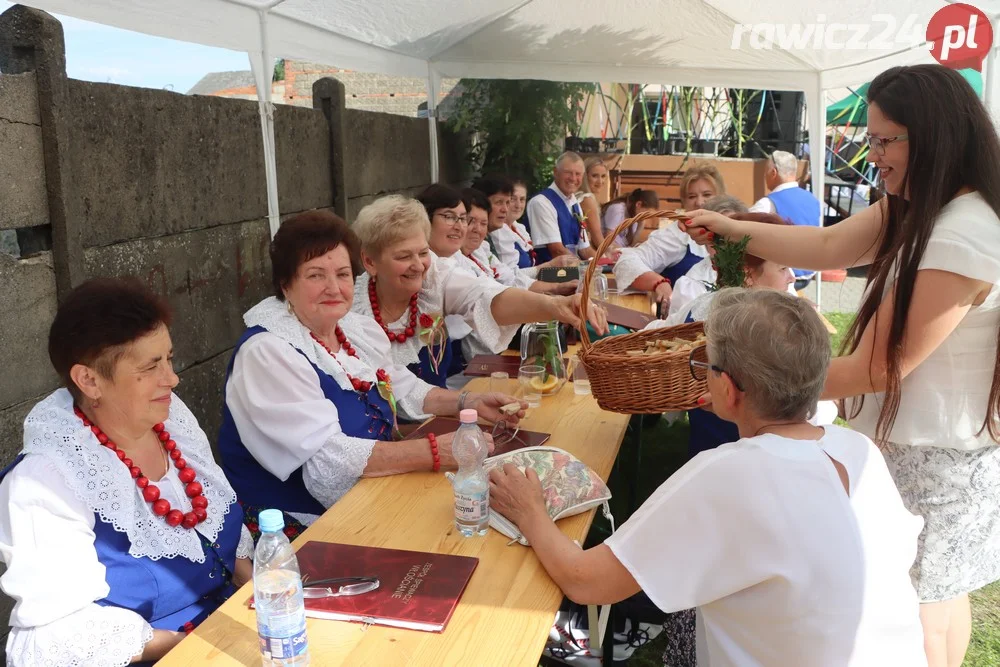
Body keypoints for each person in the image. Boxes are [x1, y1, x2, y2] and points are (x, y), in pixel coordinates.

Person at [681, 64, 1000, 667]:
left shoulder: (962, 232)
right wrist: (730, 228)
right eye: (871, 139)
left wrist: (751, 390)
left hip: (941, 455)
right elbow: (827, 245)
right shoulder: (922, 205)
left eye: (885, 140)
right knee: (936, 596)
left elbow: (880, 366)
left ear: (932, 135)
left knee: (923, 611)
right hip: (917, 444)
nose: (871, 153)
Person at [489, 288, 927, 667]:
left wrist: (531, 512)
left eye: (706, 366)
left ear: (731, 388)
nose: (702, 374)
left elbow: (586, 581)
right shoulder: (856, 449)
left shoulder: (727, 472)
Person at [217, 210, 534, 539]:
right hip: (297, 531)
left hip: (371, 498)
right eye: (315, 275)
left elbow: (402, 388)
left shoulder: (350, 330)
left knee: (479, 521)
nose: (333, 288)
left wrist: (469, 402)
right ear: (286, 284)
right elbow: (329, 459)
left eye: (342, 274)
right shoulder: (268, 353)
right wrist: (434, 451)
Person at [0, 277, 254, 666]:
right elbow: (60, 634)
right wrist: (209, 640)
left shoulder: (171, 422)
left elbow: (209, 545)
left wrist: (266, 589)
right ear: (89, 380)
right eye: (150, 366)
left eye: (168, 358)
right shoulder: (44, 484)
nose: (171, 378)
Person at [612, 165, 727, 310]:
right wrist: (659, 283)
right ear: (684, 202)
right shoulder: (677, 236)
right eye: (691, 196)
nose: (699, 202)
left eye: (707, 194)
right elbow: (626, 260)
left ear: (721, 196)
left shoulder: (733, 231)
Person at [459, 188, 577, 295]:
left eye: (483, 223)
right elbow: (492, 293)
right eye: (471, 221)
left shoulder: (482, 249)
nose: (478, 229)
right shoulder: (454, 262)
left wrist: (557, 288)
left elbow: (510, 278)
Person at [663, 194, 748, 321]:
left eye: (734, 234)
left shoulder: (763, 270)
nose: (727, 242)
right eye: (719, 236)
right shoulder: (693, 283)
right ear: (704, 238)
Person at [749, 150, 822, 290]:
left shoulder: (767, 204)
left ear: (773, 173)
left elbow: (744, 236)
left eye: (765, 173)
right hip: (809, 273)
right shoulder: (813, 199)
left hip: (784, 276)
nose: (765, 177)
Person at [525, 151, 597, 263]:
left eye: (578, 174)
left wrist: (603, 262)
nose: (573, 178)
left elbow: (585, 250)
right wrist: (584, 268)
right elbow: (557, 251)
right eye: (568, 173)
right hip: (548, 275)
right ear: (555, 172)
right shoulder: (541, 202)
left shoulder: (574, 203)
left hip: (571, 271)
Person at [578, 158, 611, 251]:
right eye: (595, 176)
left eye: (603, 176)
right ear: (585, 176)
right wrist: (610, 254)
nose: (600, 181)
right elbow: (597, 239)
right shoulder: (587, 199)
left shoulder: (579, 196)